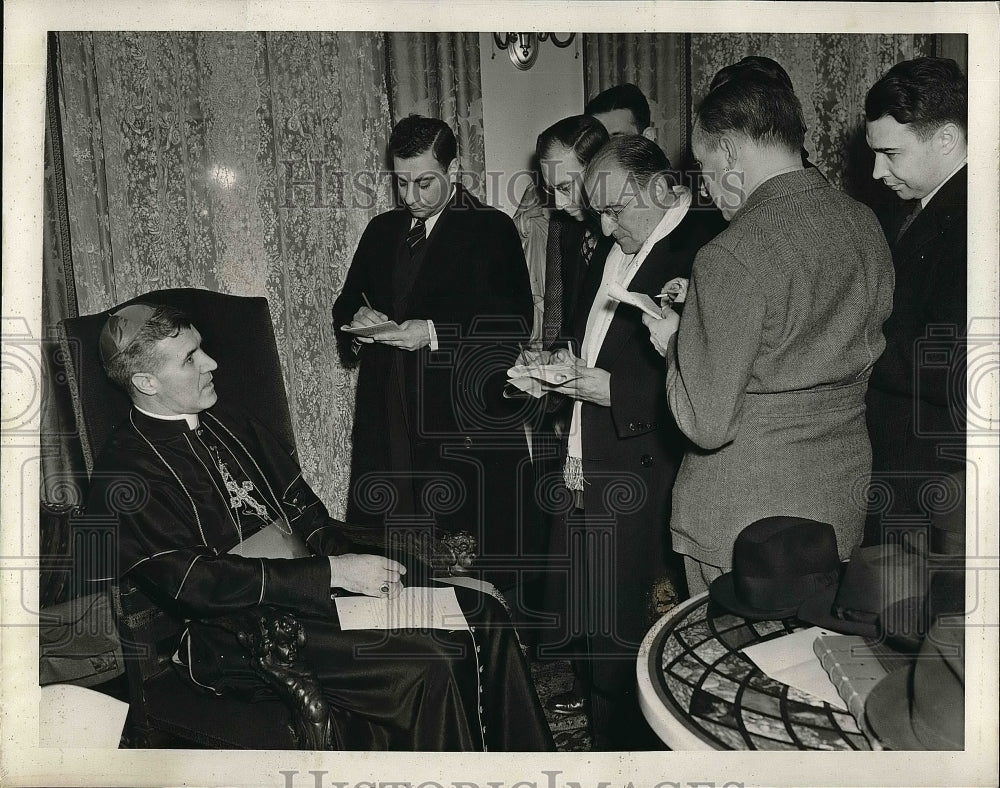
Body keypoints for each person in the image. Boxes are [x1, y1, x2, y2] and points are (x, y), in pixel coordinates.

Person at [85, 303, 554, 751]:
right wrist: (334, 574)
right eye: (190, 358)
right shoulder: (124, 474)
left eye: (201, 347)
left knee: (479, 611)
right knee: (432, 657)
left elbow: (309, 516)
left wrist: (416, 579)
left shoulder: (230, 420)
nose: (212, 363)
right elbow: (196, 584)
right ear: (146, 381)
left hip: (314, 594)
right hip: (235, 632)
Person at [643, 66, 895, 596]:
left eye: (707, 170)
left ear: (731, 152)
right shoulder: (864, 223)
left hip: (743, 523)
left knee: (728, 674)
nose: (708, 190)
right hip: (839, 502)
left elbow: (707, 423)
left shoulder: (730, 253)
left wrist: (676, 346)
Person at [533, 134, 719, 749]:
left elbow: (718, 377)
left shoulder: (707, 244)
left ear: (661, 187)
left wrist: (623, 394)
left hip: (651, 467)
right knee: (593, 628)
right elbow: (592, 340)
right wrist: (554, 371)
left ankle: (627, 757)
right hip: (591, 456)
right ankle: (600, 744)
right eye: (600, 211)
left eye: (615, 210)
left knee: (636, 642)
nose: (606, 227)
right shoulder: (612, 247)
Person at [332, 116, 538, 610]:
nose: (411, 196)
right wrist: (356, 316)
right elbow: (346, 303)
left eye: (424, 181)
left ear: (455, 167)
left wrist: (431, 332)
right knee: (393, 555)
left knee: (467, 564)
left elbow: (514, 322)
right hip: (390, 413)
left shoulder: (490, 229)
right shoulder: (382, 231)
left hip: (458, 420)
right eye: (401, 182)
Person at [863, 57, 968, 545]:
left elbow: (949, 360)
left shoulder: (973, 219)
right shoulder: (923, 205)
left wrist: (852, 339)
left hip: (932, 475)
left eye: (891, 153)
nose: (877, 170)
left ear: (945, 140)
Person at [515, 85, 656, 343]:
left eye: (565, 187)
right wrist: (555, 354)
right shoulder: (564, 227)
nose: (558, 203)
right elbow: (558, 314)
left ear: (598, 170)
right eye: (551, 189)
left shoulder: (632, 225)